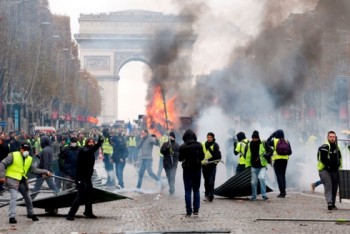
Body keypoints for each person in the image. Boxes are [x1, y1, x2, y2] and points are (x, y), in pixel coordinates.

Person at [0, 143, 53, 224]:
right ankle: (12, 217)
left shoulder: (29, 158)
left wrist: (46, 171)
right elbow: (2, 164)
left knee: (28, 197)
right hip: (12, 179)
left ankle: (30, 213)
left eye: (27, 150)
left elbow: (34, 170)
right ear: (21, 149)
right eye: (24, 150)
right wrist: (2, 176)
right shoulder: (13, 155)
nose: (26, 151)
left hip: (22, 180)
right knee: (14, 197)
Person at [66, 136, 104, 221]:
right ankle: (70, 215)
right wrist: (98, 143)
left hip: (87, 177)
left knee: (90, 194)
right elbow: (90, 151)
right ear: (86, 143)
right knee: (80, 196)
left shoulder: (91, 151)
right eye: (89, 142)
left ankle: (88, 212)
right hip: (80, 177)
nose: (91, 143)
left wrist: (98, 144)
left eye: (92, 142)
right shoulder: (83, 150)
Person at [179, 129, 204, 217]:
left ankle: (188, 211)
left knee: (187, 190)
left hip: (187, 170)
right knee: (196, 190)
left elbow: (180, 159)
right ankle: (196, 210)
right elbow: (202, 157)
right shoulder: (199, 145)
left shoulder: (182, 146)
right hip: (197, 170)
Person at [245, 130, 273, 201]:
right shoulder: (250, 144)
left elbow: (271, 151)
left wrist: (266, 154)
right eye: (253, 138)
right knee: (253, 182)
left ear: (258, 137)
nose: (254, 139)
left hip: (262, 166)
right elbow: (248, 155)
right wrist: (247, 165)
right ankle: (254, 196)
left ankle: (264, 195)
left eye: (256, 138)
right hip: (253, 166)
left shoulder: (263, 143)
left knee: (261, 178)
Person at [317, 131, 342, 210]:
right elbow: (324, 159)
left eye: (333, 137)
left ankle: (333, 203)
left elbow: (340, 159)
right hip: (324, 169)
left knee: (334, 187)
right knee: (328, 185)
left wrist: (338, 166)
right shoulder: (325, 146)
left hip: (334, 170)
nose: (332, 138)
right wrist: (333, 164)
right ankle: (329, 203)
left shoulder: (337, 147)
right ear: (327, 137)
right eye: (330, 137)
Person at [267, 129, 292, 198]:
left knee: (279, 175)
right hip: (285, 160)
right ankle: (284, 191)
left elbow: (267, 143)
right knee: (283, 175)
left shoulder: (274, 141)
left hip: (277, 159)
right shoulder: (287, 141)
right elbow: (290, 152)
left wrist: (271, 136)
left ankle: (282, 192)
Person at [201, 132, 222, 202]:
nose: (209, 138)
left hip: (212, 166)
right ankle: (207, 194)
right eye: (208, 137)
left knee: (211, 181)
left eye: (210, 137)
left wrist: (210, 161)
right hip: (204, 166)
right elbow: (201, 154)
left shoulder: (215, 145)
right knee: (206, 181)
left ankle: (210, 195)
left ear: (213, 138)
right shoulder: (203, 144)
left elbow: (217, 156)